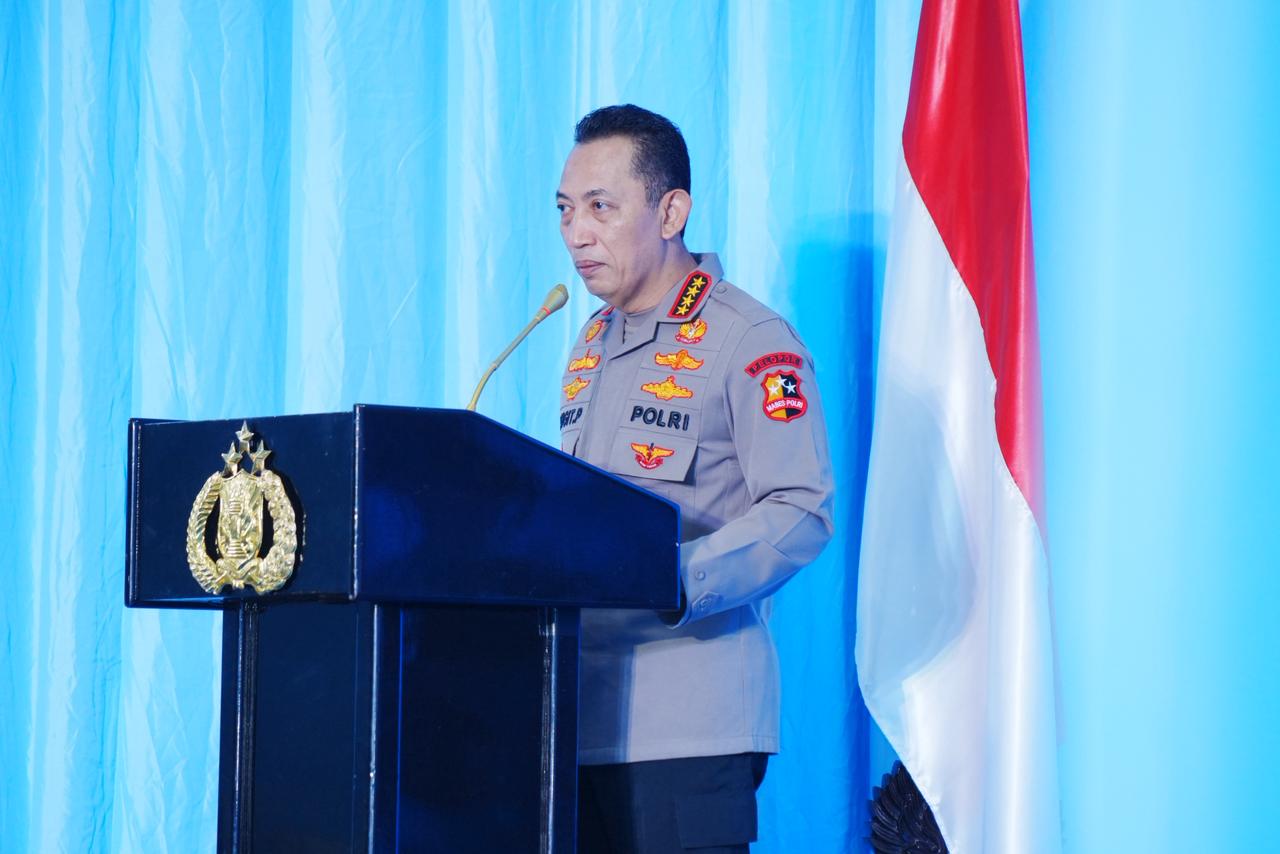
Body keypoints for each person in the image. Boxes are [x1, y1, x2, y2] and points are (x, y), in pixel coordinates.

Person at [555, 104, 835, 854]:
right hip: (579, 723)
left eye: (601, 207)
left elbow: (803, 510)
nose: (577, 233)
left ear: (671, 211)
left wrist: (675, 578)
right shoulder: (590, 341)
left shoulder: (751, 339)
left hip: (688, 728)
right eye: (566, 210)